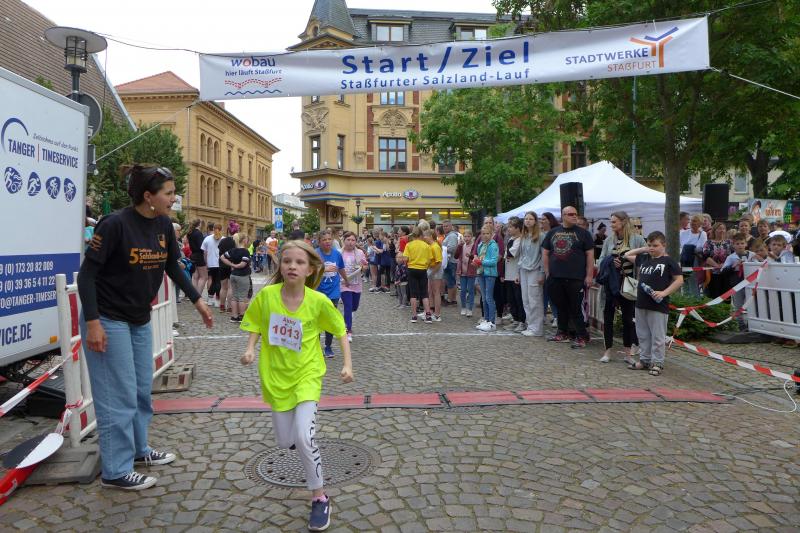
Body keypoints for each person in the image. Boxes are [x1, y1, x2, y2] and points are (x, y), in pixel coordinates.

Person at [78, 165, 213, 490]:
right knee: (118, 395)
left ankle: (138, 450)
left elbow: (172, 267)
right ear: (148, 196)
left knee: (140, 390)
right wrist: (93, 323)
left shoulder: (163, 224)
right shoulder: (114, 224)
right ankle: (115, 470)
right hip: (108, 318)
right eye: (169, 193)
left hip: (139, 318)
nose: (174, 198)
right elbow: (86, 276)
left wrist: (198, 300)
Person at [239, 240, 352, 532]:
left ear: (310, 269)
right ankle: (300, 443)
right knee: (284, 441)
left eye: (299, 262)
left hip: (307, 375)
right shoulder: (267, 296)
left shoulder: (318, 301)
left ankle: (320, 497)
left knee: (304, 437)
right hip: (276, 377)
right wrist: (250, 349)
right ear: (280, 265)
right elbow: (255, 323)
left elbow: (340, 330)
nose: (292, 266)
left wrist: (347, 364)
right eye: (287, 261)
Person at [624, 231, 683, 376]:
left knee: (657, 336)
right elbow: (627, 254)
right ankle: (644, 360)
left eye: (655, 245)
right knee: (643, 334)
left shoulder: (669, 261)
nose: (652, 248)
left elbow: (679, 280)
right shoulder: (644, 258)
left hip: (658, 305)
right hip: (641, 303)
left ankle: (657, 363)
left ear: (664, 245)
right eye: (650, 245)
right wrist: (644, 249)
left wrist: (664, 293)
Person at [542, 206, 594, 349]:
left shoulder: (584, 233)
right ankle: (562, 332)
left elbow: (590, 255)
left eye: (575, 214)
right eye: (571, 214)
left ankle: (582, 335)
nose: (574, 216)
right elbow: (545, 251)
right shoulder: (553, 232)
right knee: (560, 306)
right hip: (555, 277)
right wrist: (547, 271)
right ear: (563, 216)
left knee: (576, 308)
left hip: (576, 277)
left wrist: (589, 275)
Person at [597, 210, 646, 363]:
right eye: (611, 222)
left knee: (628, 320)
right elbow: (600, 260)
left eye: (614, 222)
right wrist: (611, 261)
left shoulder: (637, 239)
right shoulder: (608, 240)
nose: (611, 225)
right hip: (610, 285)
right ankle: (607, 352)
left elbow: (646, 259)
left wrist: (627, 258)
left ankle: (628, 354)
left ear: (623, 222)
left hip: (629, 285)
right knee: (608, 318)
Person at [315, 230, 347, 358]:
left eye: (329, 239)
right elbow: (309, 270)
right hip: (318, 290)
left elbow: (341, 268)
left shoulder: (337, 254)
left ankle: (328, 346)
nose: (327, 241)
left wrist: (347, 280)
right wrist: (324, 269)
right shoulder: (315, 254)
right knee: (317, 319)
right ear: (319, 242)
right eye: (324, 240)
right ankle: (316, 346)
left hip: (333, 291)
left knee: (330, 318)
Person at [720, 233, 756, 331]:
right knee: (738, 305)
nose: (740, 245)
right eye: (737, 244)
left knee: (751, 304)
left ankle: (752, 324)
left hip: (750, 283)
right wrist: (734, 266)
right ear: (733, 245)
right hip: (737, 284)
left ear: (746, 244)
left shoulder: (752, 255)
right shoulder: (731, 257)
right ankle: (741, 325)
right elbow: (723, 271)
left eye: (742, 243)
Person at [518, 212, 545, 337]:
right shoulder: (523, 236)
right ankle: (530, 325)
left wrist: (542, 273)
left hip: (535, 269)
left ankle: (537, 328)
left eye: (531, 219)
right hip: (523, 269)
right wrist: (518, 272)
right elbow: (521, 255)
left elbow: (544, 255)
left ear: (535, 221)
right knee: (526, 299)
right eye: (526, 219)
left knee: (535, 299)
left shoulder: (541, 236)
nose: (528, 221)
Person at [339, 231, 367, 342]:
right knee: (348, 306)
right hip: (343, 284)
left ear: (356, 241)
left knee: (354, 307)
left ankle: (348, 318)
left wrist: (363, 267)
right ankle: (348, 331)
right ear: (344, 240)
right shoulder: (339, 253)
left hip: (356, 284)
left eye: (353, 240)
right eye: (348, 240)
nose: (350, 242)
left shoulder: (359, 253)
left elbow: (365, 265)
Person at [404, 227, 434, 324]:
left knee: (413, 294)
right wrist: (425, 266)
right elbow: (430, 259)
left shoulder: (409, 245)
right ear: (421, 235)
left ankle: (414, 316)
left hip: (412, 269)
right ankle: (428, 315)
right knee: (424, 293)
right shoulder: (426, 245)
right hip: (422, 269)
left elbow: (405, 259)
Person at [221, 233, 252, 323]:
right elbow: (243, 263)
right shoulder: (245, 251)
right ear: (244, 240)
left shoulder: (233, 250)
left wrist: (231, 265)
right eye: (246, 239)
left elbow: (222, 257)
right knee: (242, 297)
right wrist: (236, 266)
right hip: (243, 275)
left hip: (233, 275)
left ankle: (234, 316)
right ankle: (242, 316)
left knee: (234, 297)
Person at [502, 217, 526, 332]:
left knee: (518, 299)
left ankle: (522, 321)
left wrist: (507, 250)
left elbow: (510, 254)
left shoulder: (520, 240)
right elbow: (505, 256)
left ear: (518, 228)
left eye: (511, 227)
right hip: (509, 274)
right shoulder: (511, 239)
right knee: (511, 299)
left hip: (517, 274)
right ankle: (515, 319)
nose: (509, 229)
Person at [475, 225, 500, 332]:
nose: (485, 235)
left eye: (487, 233)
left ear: (492, 234)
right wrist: (476, 261)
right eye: (483, 233)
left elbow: (494, 261)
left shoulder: (493, 245)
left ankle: (492, 322)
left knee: (489, 298)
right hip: (481, 272)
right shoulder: (481, 244)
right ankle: (486, 319)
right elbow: (479, 257)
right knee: (484, 298)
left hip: (490, 274)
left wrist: (481, 262)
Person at [700, 222, 733, 298]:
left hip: (727, 272)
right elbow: (705, 257)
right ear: (714, 230)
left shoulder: (729, 242)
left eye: (723, 229)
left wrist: (724, 265)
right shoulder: (708, 243)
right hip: (713, 273)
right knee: (714, 295)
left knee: (726, 296)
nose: (722, 230)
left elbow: (733, 255)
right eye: (719, 229)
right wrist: (717, 265)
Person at [679, 214, 707, 297]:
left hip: (694, 259)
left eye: (694, 221)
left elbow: (701, 247)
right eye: (691, 220)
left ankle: (695, 300)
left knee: (693, 280)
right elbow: (680, 246)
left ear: (700, 223)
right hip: (684, 258)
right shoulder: (683, 233)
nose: (691, 222)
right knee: (684, 280)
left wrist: (690, 248)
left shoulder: (703, 234)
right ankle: (686, 299)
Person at [455, 229, 478, 317]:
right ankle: (463, 307)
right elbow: (456, 256)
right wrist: (459, 245)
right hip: (462, 271)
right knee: (463, 290)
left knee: (471, 290)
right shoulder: (462, 245)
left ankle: (470, 309)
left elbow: (475, 257)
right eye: (465, 236)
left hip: (471, 271)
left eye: (468, 236)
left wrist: (471, 256)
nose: (466, 238)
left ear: (471, 237)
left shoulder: (474, 246)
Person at [423, 229, 444, 321]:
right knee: (430, 291)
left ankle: (437, 314)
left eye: (425, 236)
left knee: (436, 292)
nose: (424, 237)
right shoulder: (431, 245)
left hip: (436, 270)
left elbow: (439, 263)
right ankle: (431, 311)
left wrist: (431, 272)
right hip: (432, 270)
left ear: (431, 236)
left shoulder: (435, 246)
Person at [201, 223, 223, 307]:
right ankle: (217, 299)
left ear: (213, 229)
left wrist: (206, 263)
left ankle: (210, 299)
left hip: (210, 263)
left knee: (213, 281)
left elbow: (204, 253)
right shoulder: (223, 239)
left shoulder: (207, 238)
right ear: (221, 229)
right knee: (218, 282)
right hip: (220, 263)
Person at [217, 228, 237, 313]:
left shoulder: (223, 240)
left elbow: (219, 251)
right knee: (230, 287)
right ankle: (229, 307)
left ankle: (222, 306)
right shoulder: (236, 242)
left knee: (223, 287)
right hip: (232, 265)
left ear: (228, 231)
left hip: (222, 264)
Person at [441, 220, 460, 306]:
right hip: (449, 261)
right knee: (450, 281)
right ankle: (452, 299)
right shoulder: (448, 235)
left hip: (451, 261)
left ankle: (451, 300)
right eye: (444, 226)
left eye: (446, 226)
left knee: (450, 281)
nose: (445, 228)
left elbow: (452, 248)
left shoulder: (452, 236)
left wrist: (442, 248)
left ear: (451, 226)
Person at [187, 219, 207, 295]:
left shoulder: (190, 233)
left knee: (195, 277)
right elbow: (201, 247)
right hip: (199, 256)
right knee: (204, 277)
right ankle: (198, 296)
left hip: (193, 255)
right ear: (199, 224)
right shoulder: (198, 233)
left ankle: (194, 295)